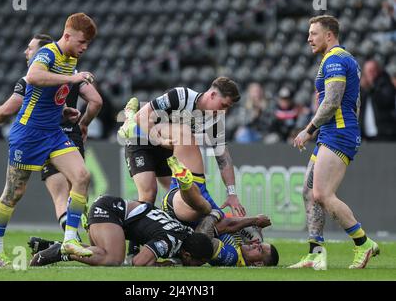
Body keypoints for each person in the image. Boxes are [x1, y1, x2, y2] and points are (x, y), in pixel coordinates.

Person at [0, 13, 98, 267]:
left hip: (53, 132)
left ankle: (69, 239)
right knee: (14, 193)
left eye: (88, 44)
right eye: (81, 42)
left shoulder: (70, 58)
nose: (84, 47)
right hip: (28, 134)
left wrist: (63, 111)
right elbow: (33, 77)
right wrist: (72, 79)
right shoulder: (48, 52)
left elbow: (44, 96)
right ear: (67, 35)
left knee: (81, 176)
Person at [290, 15, 379, 270]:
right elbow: (356, 102)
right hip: (336, 132)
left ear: (329, 35)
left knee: (322, 194)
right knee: (308, 193)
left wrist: (308, 130)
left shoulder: (335, 60)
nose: (309, 38)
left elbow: (331, 102)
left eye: (313, 33)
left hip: (337, 133)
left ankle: (363, 243)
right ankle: (315, 253)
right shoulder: (339, 59)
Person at [119, 77, 245, 216]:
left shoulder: (215, 120)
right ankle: (134, 234)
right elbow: (142, 116)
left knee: (179, 197)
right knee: (148, 195)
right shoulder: (181, 96)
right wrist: (160, 140)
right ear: (213, 95)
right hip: (141, 140)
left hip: (167, 148)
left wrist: (232, 193)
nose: (224, 111)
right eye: (223, 105)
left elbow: (223, 157)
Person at [29, 195, 214, 267]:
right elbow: (139, 263)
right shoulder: (172, 240)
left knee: (101, 255)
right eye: (200, 262)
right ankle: (61, 251)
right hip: (111, 211)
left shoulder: (183, 233)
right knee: (113, 259)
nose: (200, 266)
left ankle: (54, 246)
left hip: (115, 212)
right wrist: (165, 265)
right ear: (188, 255)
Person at [162, 155, 278, 267]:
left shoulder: (231, 256)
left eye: (259, 248)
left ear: (258, 264)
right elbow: (228, 225)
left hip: (182, 213)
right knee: (184, 141)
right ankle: (179, 174)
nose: (255, 244)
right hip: (183, 205)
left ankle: (185, 183)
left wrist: (215, 215)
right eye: (258, 244)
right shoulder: (240, 244)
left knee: (207, 209)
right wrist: (253, 224)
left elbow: (201, 240)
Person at [359, 59, 396, 141]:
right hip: (365, 135)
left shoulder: (385, 83)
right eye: (368, 71)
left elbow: (386, 101)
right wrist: (361, 88)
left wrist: (371, 87)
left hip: (385, 133)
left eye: (373, 70)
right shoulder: (361, 88)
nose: (371, 73)